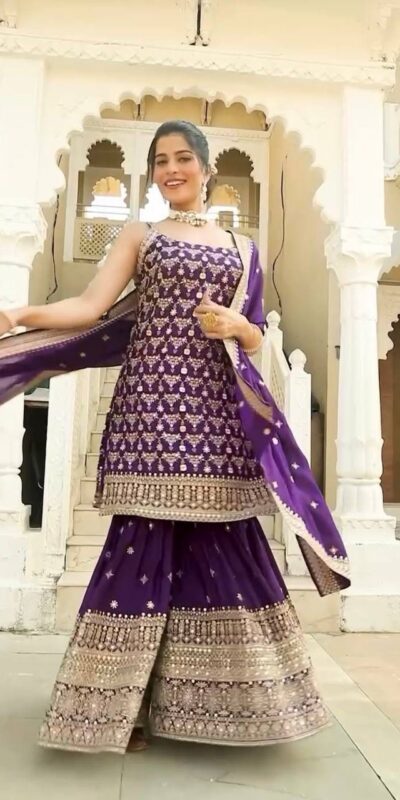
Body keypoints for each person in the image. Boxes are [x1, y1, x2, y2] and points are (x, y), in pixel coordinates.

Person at [0, 120, 350, 754]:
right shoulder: (142, 235)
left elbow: (256, 336)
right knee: (139, 550)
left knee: (227, 544)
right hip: (150, 416)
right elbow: (90, 307)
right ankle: (114, 712)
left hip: (218, 417)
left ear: (207, 168)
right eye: (161, 161)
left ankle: (241, 702)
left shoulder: (244, 249)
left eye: (183, 158)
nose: (171, 170)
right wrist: (19, 313)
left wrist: (236, 327)